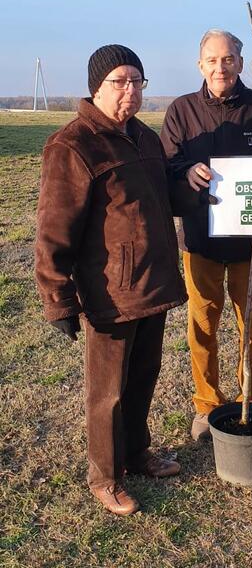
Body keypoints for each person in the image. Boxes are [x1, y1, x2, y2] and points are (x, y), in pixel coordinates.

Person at [35, 44, 206, 515]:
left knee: (143, 377)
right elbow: (53, 231)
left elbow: (162, 198)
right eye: (120, 81)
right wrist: (59, 300)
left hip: (153, 283)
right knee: (106, 391)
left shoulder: (145, 139)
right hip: (109, 291)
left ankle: (136, 453)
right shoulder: (72, 145)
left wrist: (189, 189)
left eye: (137, 81)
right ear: (97, 87)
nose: (130, 90)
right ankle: (105, 478)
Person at [160, 29, 252, 440]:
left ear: (241, 63)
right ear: (200, 66)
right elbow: (167, 165)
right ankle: (207, 403)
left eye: (228, 59)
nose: (220, 67)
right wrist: (187, 173)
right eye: (211, 60)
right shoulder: (181, 111)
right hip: (200, 241)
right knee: (203, 325)